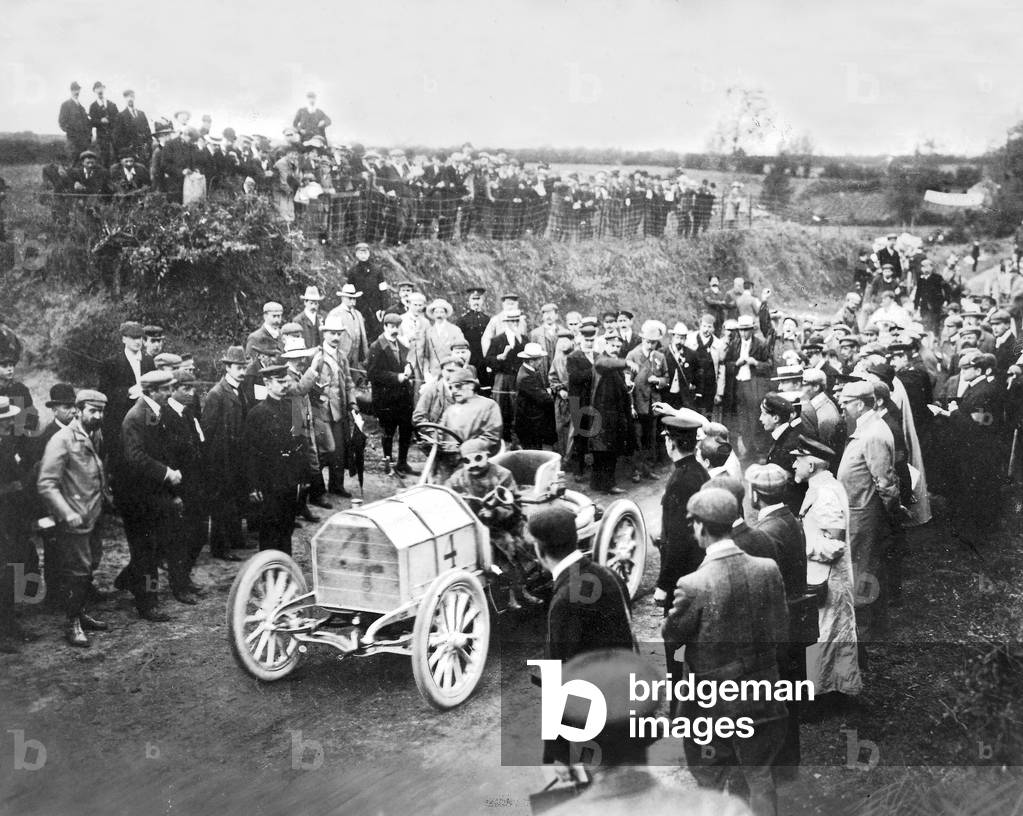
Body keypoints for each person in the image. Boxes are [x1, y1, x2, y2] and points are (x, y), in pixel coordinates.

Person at [662, 488, 789, 816]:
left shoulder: (694, 584)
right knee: (760, 776)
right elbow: (781, 630)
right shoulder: (767, 569)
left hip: (712, 705)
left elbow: (672, 636)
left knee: (710, 780)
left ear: (701, 527)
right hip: (765, 693)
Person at [530, 505, 635, 750]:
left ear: (539, 549)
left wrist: (556, 751)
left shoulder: (565, 599)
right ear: (575, 539)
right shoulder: (610, 575)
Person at [747, 463, 811, 776]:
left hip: (780, 624)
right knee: (791, 694)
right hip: (798, 620)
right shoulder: (790, 519)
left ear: (755, 494)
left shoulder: (765, 532)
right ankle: (789, 762)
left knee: (774, 696)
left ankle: (776, 766)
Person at [36, 390, 109, 646]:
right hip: (74, 519)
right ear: (78, 410)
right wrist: (66, 512)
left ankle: (81, 613)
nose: (97, 416)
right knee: (77, 572)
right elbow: (46, 484)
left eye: (100, 411)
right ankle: (72, 623)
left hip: (94, 514)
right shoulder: (62, 439)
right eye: (92, 410)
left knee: (90, 566)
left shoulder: (95, 434)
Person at [792, 436, 862, 700]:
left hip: (828, 577)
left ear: (811, 465)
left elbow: (834, 545)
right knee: (834, 632)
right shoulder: (823, 486)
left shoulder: (824, 493)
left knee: (827, 633)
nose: (793, 465)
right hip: (826, 575)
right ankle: (836, 689)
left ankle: (822, 695)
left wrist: (801, 542)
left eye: (797, 460)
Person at [115, 370, 181, 622]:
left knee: (153, 547)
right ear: (152, 391)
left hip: (151, 495)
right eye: (165, 389)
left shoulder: (154, 412)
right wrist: (166, 473)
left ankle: (129, 580)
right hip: (136, 498)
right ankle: (147, 605)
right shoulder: (136, 416)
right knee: (145, 551)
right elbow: (135, 457)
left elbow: (161, 449)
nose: (169, 392)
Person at [836, 380, 899, 641]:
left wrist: (889, 514)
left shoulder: (872, 434)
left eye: (846, 404)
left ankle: (863, 628)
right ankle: (873, 624)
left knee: (862, 568)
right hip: (860, 510)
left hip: (864, 513)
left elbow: (885, 482)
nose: (842, 409)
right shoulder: (867, 428)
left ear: (860, 404)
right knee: (866, 566)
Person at [445, 439, 538, 609]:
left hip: (504, 524)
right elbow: (446, 498)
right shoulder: (457, 478)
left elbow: (514, 506)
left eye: (478, 458)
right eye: (467, 461)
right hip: (472, 527)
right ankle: (496, 591)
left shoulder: (502, 475)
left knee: (511, 546)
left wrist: (494, 513)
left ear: (487, 456)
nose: (473, 464)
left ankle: (520, 590)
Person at [654, 410, 710, 615]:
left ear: (671, 443)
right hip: (697, 564)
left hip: (683, 573)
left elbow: (679, 539)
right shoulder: (698, 470)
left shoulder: (681, 480)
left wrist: (663, 585)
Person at [244, 365, 302, 554]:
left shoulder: (294, 408)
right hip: (269, 480)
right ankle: (269, 567)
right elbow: (251, 453)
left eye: (286, 381)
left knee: (287, 526)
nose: (285, 385)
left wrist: (304, 476)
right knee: (269, 528)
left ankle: (285, 566)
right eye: (280, 381)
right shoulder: (256, 414)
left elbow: (302, 443)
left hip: (290, 479)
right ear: (268, 384)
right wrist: (253, 486)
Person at [200, 346, 250, 562]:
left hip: (237, 454)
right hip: (221, 458)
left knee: (236, 497)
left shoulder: (240, 390)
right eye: (238, 368)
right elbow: (207, 431)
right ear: (227, 368)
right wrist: (212, 462)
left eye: (244, 367)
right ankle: (220, 547)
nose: (242, 371)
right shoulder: (216, 394)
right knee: (221, 503)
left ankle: (236, 538)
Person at [160, 371, 206, 601]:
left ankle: (185, 576)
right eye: (186, 388)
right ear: (174, 389)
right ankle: (179, 586)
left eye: (193, 388)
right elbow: (166, 459)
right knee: (179, 539)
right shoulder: (164, 416)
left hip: (195, 485)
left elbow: (198, 447)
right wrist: (174, 494)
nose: (191, 393)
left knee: (198, 534)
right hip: (177, 488)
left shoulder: (188, 414)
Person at [367, 313, 417, 475]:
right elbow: (373, 374)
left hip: (403, 397)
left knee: (405, 430)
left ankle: (402, 463)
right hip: (386, 398)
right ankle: (388, 463)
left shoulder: (401, 344)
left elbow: (407, 360)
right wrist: (396, 377)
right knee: (388, 431)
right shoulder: (376, 346)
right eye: (391, 326)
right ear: (385, 327)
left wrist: (409, 366)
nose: (395, 330)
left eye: (397, 326)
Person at [316, 313, 359, 496]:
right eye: (332, 333)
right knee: (322, 452)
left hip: (339, 411)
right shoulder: (317, 356)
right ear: (324, 334)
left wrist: (352, 402)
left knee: (340, 451)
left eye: (338, 334)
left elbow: (349, 382)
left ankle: (336, 485)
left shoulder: (342, 356)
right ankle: (315, 491)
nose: (335, 337)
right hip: (322, 412)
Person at [589, 331, 633, 494]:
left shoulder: (614, 363)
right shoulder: (602, 360)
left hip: (613, 414)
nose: (615, 348)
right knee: (604, 450)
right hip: (603, 415)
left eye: (618, 346)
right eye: (612, 345)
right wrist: (626, 363)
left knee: (608, 450)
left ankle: (600, 483)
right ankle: (606, 485)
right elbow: (605, 364)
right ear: (606, 345)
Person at [626, 320, 668, 482]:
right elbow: (627, 382)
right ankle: (635, 470)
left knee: (651, 438)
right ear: (642, 339)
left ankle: (648, 469)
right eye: (648, 342)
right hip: (637, 404)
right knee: (637, 438)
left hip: (653, 404)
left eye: (654, 342)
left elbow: (666, 378)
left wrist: (657, 380)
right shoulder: (633, 355)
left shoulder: (660, 357)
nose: (650, 345)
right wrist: (630, 405)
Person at [485, 310, 527, 445]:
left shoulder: (524, 339)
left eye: (516, 321)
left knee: (519, 408)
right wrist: (499, 357)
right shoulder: (497, 340)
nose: (514, 323)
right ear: (506, 322)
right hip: (502, 378)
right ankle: (502, 441)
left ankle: (517, 440)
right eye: (511, 321)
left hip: (519, 378)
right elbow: (488, 360)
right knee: (502, 408)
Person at [566, 322, 598, 480]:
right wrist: (594, 369)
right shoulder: (573, 357)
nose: (589, 344)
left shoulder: (598, 355)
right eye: (587, 340)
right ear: (580, 340)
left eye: (592, 340)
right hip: (577, 401)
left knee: (594, 432)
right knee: (579, 434)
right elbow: (575, 377)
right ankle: (577, 470)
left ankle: (591, 465)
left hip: (593, 400)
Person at [514, 342, 555, 449]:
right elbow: (544, 399)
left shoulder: (529, 371)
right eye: (540, 359)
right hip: (529, 423)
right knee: (533, 451)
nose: (541, 362)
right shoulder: (526, 377)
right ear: (532, 361)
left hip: (532, 421)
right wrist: (549, 392)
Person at [326, 284, 370, 374]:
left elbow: (363, 337)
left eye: (354, 298)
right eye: (350, 298)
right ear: (343, 298)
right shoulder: (335, 314)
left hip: (356, 357)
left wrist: (366, 356)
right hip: (341, 356)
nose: (353, 301)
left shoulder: (358, 314)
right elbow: (329, 339)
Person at [347, 243, 388, 339]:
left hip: (375, 310)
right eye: (360, 253)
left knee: (377, 334)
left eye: (365, 252)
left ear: (369, 254)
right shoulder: (352, 272)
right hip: (359, 308)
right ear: (356, 254)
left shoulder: (377, 270)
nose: (363, 255)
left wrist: (383, 308)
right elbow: (349, 292)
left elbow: (383, 291)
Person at [456, 287, 492, 392]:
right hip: (471, 360)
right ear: (469, 301)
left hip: (485, 360)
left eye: (478, 299)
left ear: (482, 301)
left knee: (486, 388)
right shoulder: (462, 320)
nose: (476, 302)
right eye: (473, 299)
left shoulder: (488, 319)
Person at [58, 81, 92, 161]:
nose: (76, 92)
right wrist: (71, 132)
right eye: (74, 90)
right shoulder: (66, 105)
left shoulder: (81, 107)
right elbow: (62, 122)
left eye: (78, 89)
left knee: (82, 162)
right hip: (73, 141)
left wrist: (88, 136)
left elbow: (87, 123)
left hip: (83, 141)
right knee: (73, 162)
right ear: (71, 91)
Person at [293, 285, 324, 353]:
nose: (313, 306)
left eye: (316, 303)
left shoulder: (321, 319)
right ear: (305, 302)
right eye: (311, 303)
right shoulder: (298, 320)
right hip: (304, 357)